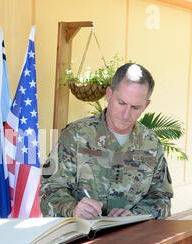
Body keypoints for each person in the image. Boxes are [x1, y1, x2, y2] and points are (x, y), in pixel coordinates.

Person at [40, 63, 173, 220]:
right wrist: (73, 209)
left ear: (146, 105)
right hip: (81, 237)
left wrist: (135, 215)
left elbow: (162, 199)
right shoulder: (74, 135)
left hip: (131, 239)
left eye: (135, 107)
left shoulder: (151, 144)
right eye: (121, 103)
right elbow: (49, 190)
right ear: (109, 94)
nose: (125, 114)